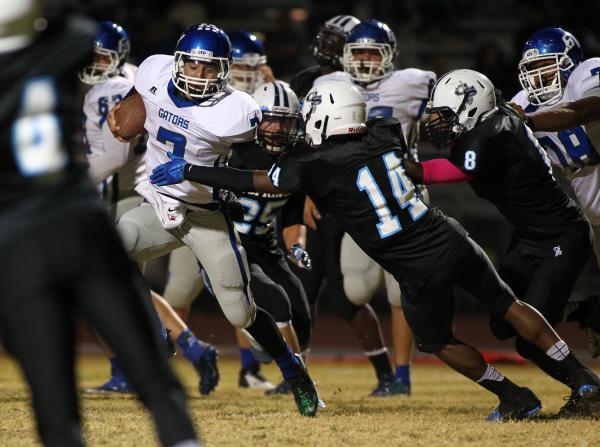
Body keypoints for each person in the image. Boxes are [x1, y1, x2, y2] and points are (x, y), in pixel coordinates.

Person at [150, 80, 600, 421]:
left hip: (415, 264)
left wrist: (193, 170)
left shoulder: (315, 165)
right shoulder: (384, 133)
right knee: (508, 304)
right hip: (450, 235)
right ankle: (583, 381)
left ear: (326, 115)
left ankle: (514, 396)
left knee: (437, 341)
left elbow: (259, 181)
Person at [0, 2, 200, 445]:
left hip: (19, 238)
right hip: (80, 220)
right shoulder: (69, 42)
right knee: (153, 375)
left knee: (53, 399)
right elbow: (71, 22)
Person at [107, 23, 318, 416]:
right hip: (157, 203)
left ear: (225, 69)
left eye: (210, 68)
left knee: (240, 311)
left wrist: (200, 175)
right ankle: (154, 328)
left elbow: (267, 176)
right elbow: (135, 108)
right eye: (193, 65)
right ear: (177, 61)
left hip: (205, 215)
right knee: (111, 249)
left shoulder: (238, 112)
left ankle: (296, 373)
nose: (200, 75)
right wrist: (124, 118)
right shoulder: (153, 70)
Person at [400, 68, 594, 417]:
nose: (439, 123)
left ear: (472, 106)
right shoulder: (490, 120)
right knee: (502, 320)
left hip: (561, 236)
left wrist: (418, 171)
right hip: (530, 235)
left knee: (529, 342)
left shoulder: (490, 132)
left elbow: (461, 170)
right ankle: (571, 308)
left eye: (446, 115)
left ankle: (587, 388)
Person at [79, 20, 219, 397]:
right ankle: (190, 345)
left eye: (100, 56)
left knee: (102, 287)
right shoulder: (133, 76)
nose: (92, 63)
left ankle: (125, 371)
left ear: (117, 56)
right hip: (138, 192)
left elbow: (114, 152)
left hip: (117, 195)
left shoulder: (108, 89)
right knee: (125, 286)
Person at [314, 18, 437, 394]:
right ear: (345, 55)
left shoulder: (415, 82)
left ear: (390, 55)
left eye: (373, 52)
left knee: (400, 292)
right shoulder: (327, 86)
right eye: (359, 52)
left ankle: (401, 375)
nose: (366, 60)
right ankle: (390, 370)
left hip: (403, 192)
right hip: (358, 197)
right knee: (355, 290)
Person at [291, 15, 405, 397]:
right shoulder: (312, 81)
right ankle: (297, 373)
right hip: (314, 193)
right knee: (302, 286)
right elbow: (297, 139)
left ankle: (386, 372)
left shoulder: (386, 84)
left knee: (344, 295)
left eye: (342, 42)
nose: (332, 49)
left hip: (351, 194)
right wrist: (302, 190)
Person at [510, 28, 600, 357]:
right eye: (531, 70)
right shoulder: (522, 103)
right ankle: (591, 313)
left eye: (546, 66)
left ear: (568, 62)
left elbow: (585, 110)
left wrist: (529, 122)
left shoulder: (587, 74)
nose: (538, 76)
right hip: (593, 211)